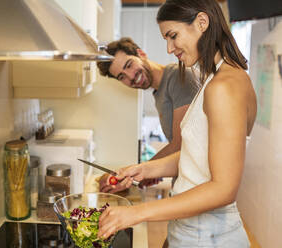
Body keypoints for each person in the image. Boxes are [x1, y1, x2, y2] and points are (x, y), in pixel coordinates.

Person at [97, 0, 257, 247]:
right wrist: (144, 170)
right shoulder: (214, 79)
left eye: (173, 36)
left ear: (202, 23)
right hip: (193, 231)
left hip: (209, 237)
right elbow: (196, 154)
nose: (170, 48)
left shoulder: (224, 86)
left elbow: (224, 189)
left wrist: (136, 213)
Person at [96, 37, 198, 193]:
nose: (130, 76)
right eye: (122, 76)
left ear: (141, 54)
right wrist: (149, 172)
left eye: (129, 65)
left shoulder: (179, 77)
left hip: (200, 189)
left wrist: (136, 172)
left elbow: (181, 145)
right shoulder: (159, 92)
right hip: (186, 186)